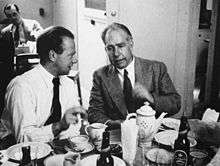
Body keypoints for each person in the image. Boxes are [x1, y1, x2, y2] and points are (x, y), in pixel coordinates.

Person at [1, 26, 86, 143]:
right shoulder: (21, 86)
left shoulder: (68, 84)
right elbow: (24, 139)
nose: (75, 60)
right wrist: (59, 125)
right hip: (14, 151)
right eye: (70, 55)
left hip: (53, 149)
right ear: (52, 55)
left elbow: (73, 128)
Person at [88, 22, 181, 128]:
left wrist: (151, 99)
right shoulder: (100, 75)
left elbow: (176, 103)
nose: (116, 54)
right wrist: (115, 124)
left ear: (131, 43)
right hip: (119, 135)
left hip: (151, 134)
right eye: (110, 48)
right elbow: (93, 113)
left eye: (120, 46)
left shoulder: (156, 68)